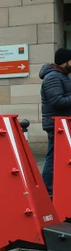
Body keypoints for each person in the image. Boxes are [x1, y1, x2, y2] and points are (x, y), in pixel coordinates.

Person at [41, 48, 71, 196]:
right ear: (65, 62)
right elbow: (57, 101)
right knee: (53, 157)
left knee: (58, 157)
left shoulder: (62, 76)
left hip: (63, 123)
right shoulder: (53, 77)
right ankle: (47, 190)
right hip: (56, 124)